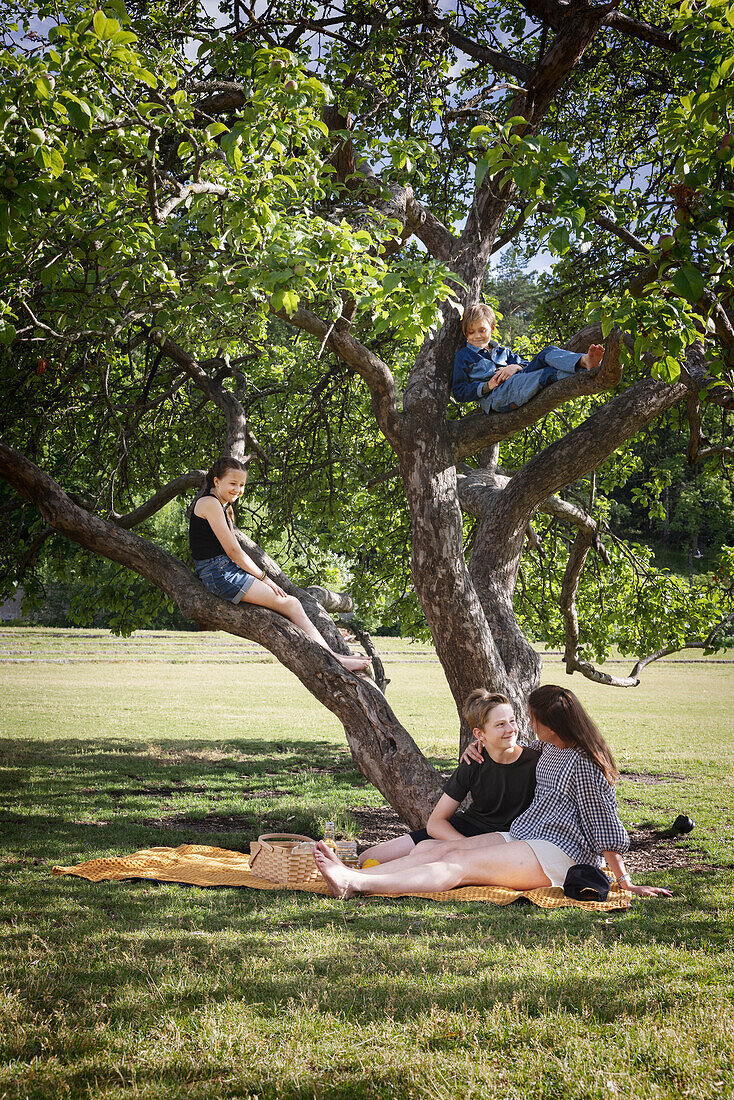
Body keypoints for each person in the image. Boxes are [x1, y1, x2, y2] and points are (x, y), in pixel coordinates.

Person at [313, 685, 673, 900]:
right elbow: (512, 749)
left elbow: (603, 826)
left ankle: (358, 884)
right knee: (437, 847)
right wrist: (477, 749)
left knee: (458, 864)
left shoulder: (584, 765)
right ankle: (356, 876)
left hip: (558, 853)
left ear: (551, 725)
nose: (525, 726)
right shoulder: (549, 748)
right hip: (524, 835)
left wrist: (624, 880)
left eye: (530, 720)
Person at [189, 456, 370, 672]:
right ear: (216, 481)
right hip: (220, 573)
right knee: (291, 604)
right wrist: (265, 578)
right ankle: (334, 659)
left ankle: (332, 655)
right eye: (232, 483)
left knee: (291, 603)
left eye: (242, 485)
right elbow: (234, 551)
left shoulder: (223, 506)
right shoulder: (209, 503)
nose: (237, 489)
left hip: (225, 570)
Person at [358, 689, 540, 867]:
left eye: (512, 721)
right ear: (479, 734)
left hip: (502, 839)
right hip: (465, 830)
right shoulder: (475, 760)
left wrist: (466, 850)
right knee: (367, 858)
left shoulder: (535, 762)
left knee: (422, 851)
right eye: (500, 724)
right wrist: (464, 846)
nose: (510, 729)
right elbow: (436, 823)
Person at [452, 303, 605, 414]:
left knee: (548, 352)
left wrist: (515, 367)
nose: (477, 336)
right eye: (471, 332)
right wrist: (487, 386)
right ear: (465, 333)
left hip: (518, 380)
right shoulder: (464, 355)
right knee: (545, 374)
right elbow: (459, 391)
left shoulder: (503, 351)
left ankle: (584, 361)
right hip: (497, 396)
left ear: (491, 328)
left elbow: (527, 364)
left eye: (482, 330)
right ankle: (583, 373)